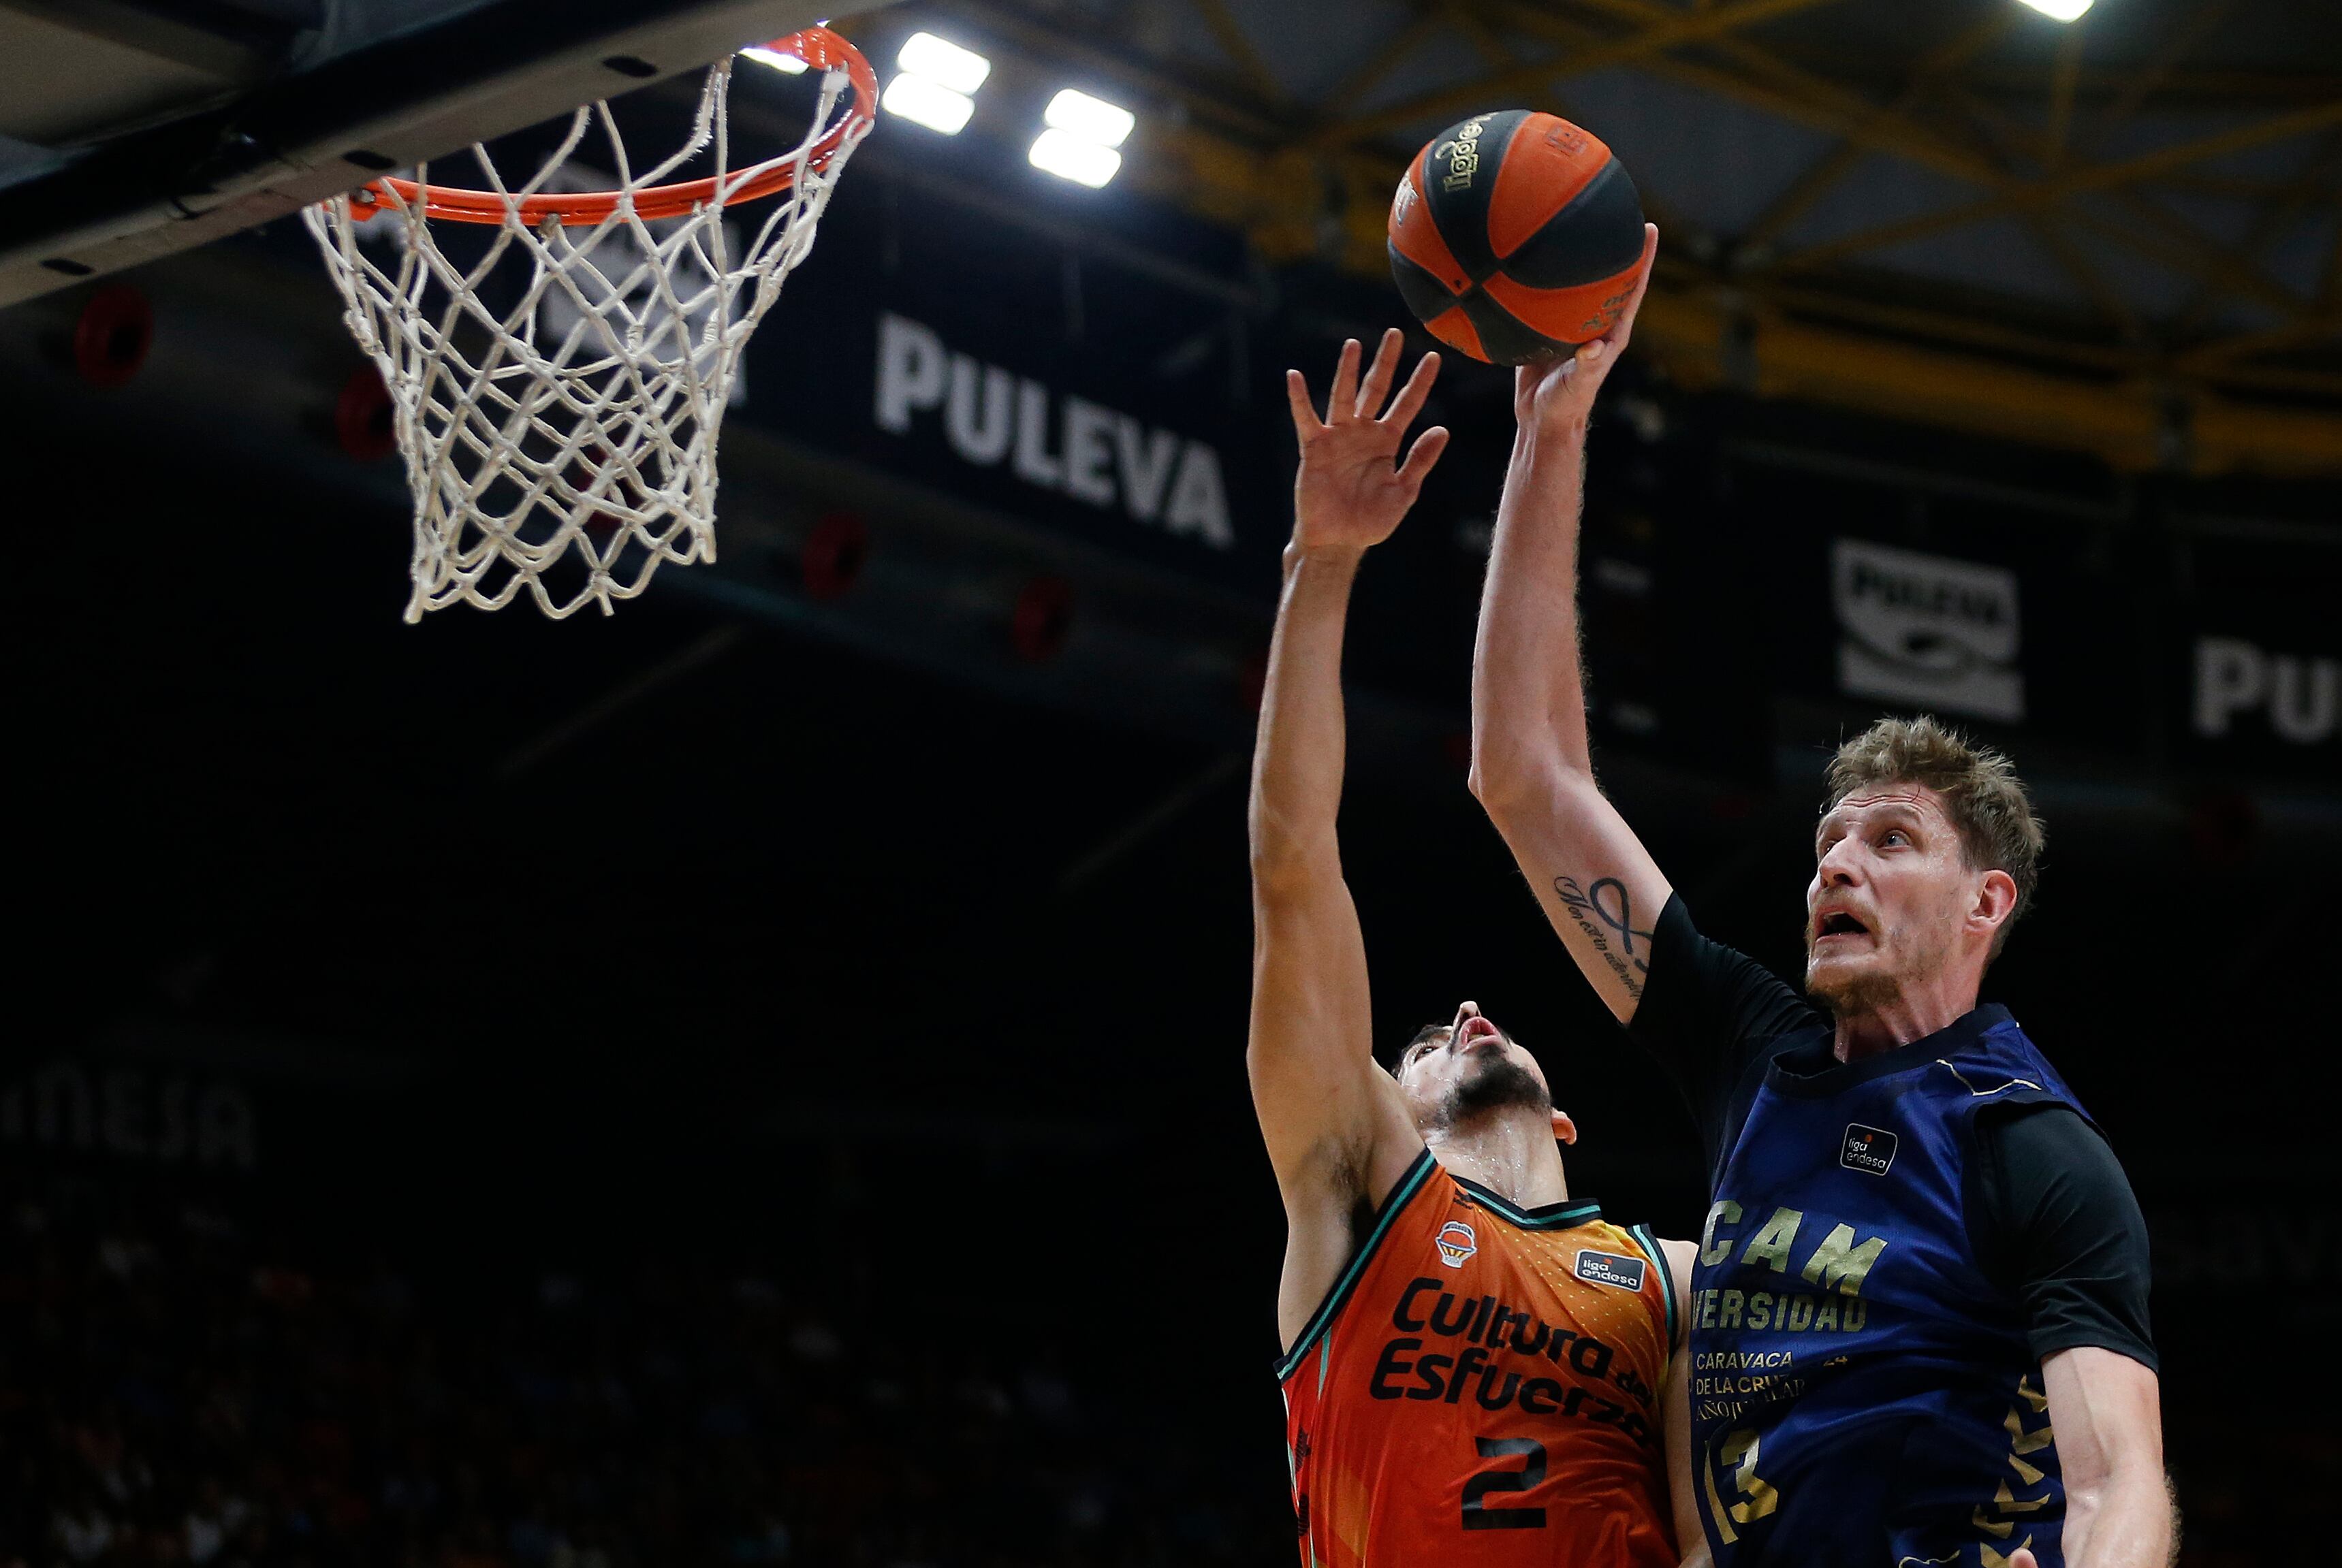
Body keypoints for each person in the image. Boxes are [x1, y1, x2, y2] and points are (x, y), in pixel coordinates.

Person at [1468, 223, 2170, 1568]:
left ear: (1985, 903)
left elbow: (2118, 1485)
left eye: (1891, 841)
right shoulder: (1753, 1047)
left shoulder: (2032, 1151)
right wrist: (1551, 438)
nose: (1835, 864)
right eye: (1827, 843)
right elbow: (1523, 777)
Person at [1250, 329, 1704, 1568]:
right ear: (1385, 1100)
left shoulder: (1668, 1279)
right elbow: (1294, 870)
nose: (1461, 1014)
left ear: (1566, 1122)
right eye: (1421, 1043)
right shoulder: (1358, 1189)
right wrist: (1321, 565)